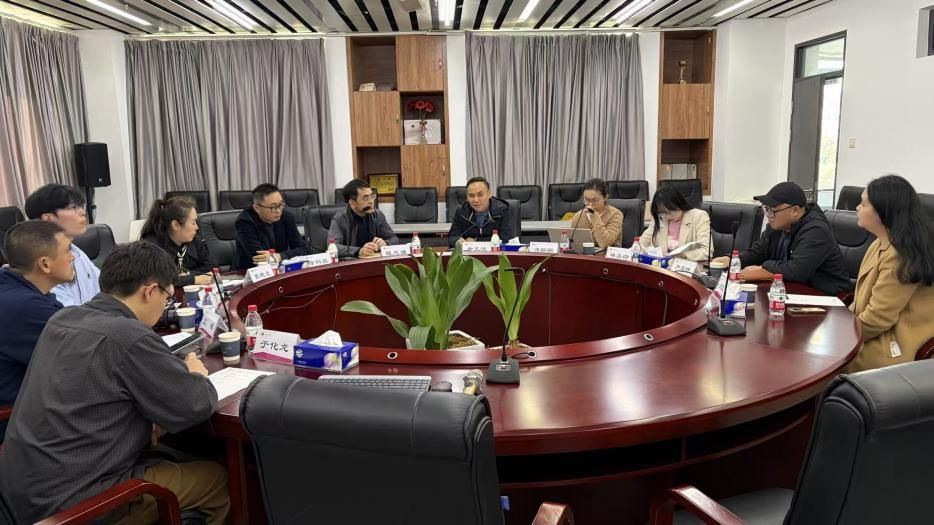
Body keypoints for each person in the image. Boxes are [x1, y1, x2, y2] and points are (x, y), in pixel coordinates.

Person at [0, 241, 228, 524]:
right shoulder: (129, 336)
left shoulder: (62, 319)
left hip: (22, 492)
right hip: (77, 504)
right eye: (167, 296)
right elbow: (194, 405)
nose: (164, 305)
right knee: (216, 479)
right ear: (149, 291)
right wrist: (196, 374)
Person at [846, 175, 934, 372]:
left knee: (824, 363)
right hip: (869, 333)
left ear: (882, 212)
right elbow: (860, 303)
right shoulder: (879, 243)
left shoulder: (901, 254)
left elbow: (878, 319)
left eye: (863, 204)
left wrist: (840, 335)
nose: (857, 208)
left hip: (892, 345)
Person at [0, 221, 73, 440]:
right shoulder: (25, 307)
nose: (72, 257)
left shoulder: (15, 289)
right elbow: (81, 356)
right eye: (67, 251)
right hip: (17, 424)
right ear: (45, 264)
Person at [712, 181, 850, 295]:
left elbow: (795, 271)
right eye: (766, 209)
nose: (768, 215)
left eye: (773, 210)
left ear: (795, 210)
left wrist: (762, 270)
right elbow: (758, 252)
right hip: (789, 291)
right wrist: (731, 260)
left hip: (827, 297)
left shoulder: (816, 230)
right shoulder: (776, 225)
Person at [24, 184, 100, 305]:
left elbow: (103, 287)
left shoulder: (76, 252)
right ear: (47, 219)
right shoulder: (44, 262)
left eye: (81, 206)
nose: (82, 212)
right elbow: (65, 312)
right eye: (74, 207)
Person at [141, 196, 217, 286]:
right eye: (193, 223)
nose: (196, 227)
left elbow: (212, 266)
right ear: (176, 225)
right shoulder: (151, 246)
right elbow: (156, 279)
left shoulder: (193, 238)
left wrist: (187, 274)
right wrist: (193, 279)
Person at [234, 183, 310, 269]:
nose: (278, 211)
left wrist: (279, 256)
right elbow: (259, 258)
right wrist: (279, 257)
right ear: (257, 208)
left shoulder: (287, 217)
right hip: (248, 272)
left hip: (280, 269)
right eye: (273, 207)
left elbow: (303, 249)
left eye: (281, 205)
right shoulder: (244, 222)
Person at [329, 180, 399, 258]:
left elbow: (394, 239)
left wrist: (385, 243)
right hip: (352, 262)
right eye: (366, 198)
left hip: (375, 260)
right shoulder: (339, 219)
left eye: (372, 196)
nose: (371, 201)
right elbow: (332, 247)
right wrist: (359, 251)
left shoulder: (378, 215)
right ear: (352, 202)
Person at [639, 185, 711, 261]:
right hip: (663, 265)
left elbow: (706, 251)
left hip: (686, 265)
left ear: (679, 205)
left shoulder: (699, 216)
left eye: (670, 212)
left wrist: (684, 255)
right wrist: (637, 246)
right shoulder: (660, 217)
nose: (667, 216)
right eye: (662, 212)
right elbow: (643, 242)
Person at [448, 177, 519, 247]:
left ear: (489, 194)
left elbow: (507, 239)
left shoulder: (503, 210)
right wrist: (457, 241)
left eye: (480, 195)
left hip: (496, 252)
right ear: (467, 197)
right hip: (469, 253)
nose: (476, 200)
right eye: (471, 196)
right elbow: (452, 238)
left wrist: (475, 241)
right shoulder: (461, 212)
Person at [570, 178, 624, 249]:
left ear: (605, 197)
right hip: (585, 253)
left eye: (595, 200)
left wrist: (595, 218)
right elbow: (573, 242)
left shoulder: (615, 215)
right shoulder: (578, 216)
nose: (590, 204)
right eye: (587, 200)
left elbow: (605, 244)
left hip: (609, 254)